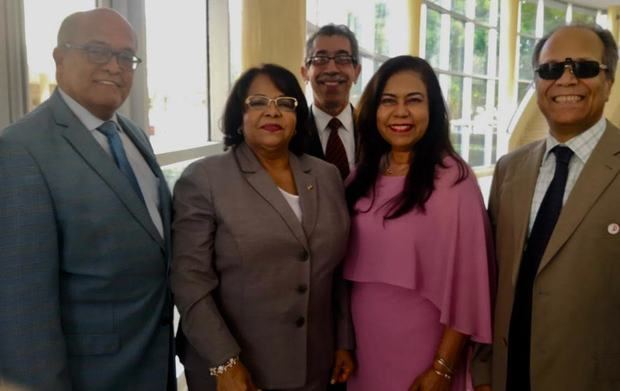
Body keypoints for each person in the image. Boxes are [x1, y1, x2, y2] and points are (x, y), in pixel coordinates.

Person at [0, 8, 174, 390]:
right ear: (60, 58)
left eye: (126, 56)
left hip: (151, 361)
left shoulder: (132, 134)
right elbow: (23, 310)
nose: (115, 66)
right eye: (98, 51)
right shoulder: (20, 149)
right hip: (91, 376)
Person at [171, 63, 355, 391]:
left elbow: (334, 271)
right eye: (258, 102)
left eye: (285, 103)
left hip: (315, 362)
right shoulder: (205, 179)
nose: (273, 112)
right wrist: (224, 361)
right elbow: (190, 282)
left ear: (298, 118)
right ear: (238, 116)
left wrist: (343, 340)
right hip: (238, 369)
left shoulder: (326, 176)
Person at [471, 24, 620, 391]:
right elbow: (492, 279)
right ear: (537, 82)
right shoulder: (510, 168)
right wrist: (485, 370)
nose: (566, 80)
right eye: (551, 70)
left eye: (583, 68)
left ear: (610, 80)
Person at [343, 55, 493, 391]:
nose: (400, 113)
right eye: (388, 101)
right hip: (364, 352)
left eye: (414, 100)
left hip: (426, 352)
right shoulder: (361, 176)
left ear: (433, 109)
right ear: (373, 110)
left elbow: (469, 287)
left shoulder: (454, 180)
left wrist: (442, 369)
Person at [301, 24, 361, 179]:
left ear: (356, 72)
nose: (331, 69)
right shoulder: (293, 135)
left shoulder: (374, 131)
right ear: (305, 73)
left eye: (342, 59)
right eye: (320, 59)